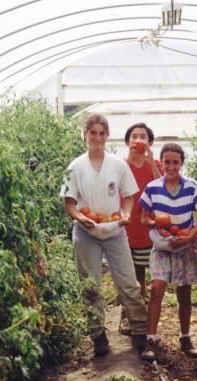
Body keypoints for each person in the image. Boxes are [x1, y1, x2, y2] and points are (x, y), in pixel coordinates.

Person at [60, 114, 148, 357]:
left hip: (115, 230)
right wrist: (80, 218)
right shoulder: (75, 166)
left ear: (107, 136)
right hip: (86, 232)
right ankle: (98, 335)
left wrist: (127, 214)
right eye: (93, 132)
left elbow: (129, 197)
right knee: (90, 285)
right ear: (85, 135)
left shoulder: (118, 165)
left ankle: (140, 331)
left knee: (129, 282)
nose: (97, 137)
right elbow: (69, 203)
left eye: (101, 133)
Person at [138, 143, 197, 361]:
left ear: (181, 163)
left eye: (175, 162)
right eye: (167, 162)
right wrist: (157, 222)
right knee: (157, 287)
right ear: (162, 162)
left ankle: (185, 337)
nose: (171, 166)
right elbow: (143, 219)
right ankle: (151, 340)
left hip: (184, 245)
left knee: (184, 292)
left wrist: (190, 236)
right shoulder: (152, 187)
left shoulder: (191, 186)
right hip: (162, 245)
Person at [118, 123, 164, 335]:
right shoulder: (121, 165)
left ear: (150, 142)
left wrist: (151, 162)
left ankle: (142, 317)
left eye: (143, 136)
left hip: (147, 228)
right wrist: (129, 159)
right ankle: (128, 318)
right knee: (129, 277)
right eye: (134, 136)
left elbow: (162, 187)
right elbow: (117, 184)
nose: (138, 140)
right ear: (128, 142)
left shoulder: (155, 164)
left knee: (144, 276)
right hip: (126, 228)